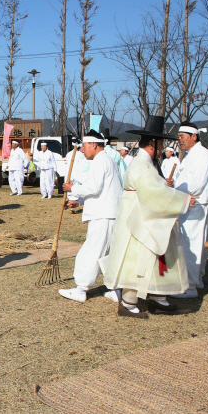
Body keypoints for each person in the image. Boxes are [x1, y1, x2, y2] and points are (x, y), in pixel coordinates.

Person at [102, 116, 194, 318]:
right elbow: (154, 192)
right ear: (153, 144)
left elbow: (155, 188)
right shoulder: (142, 166)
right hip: (139, 217)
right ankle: (129, 302)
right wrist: (183, 200)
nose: (162, 148)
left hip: (142, 213)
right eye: (160, 144)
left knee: (155, 255)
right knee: (138, 258)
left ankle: (158, 296)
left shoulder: (144, 163)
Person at [58, 130, 122, 303]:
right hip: (109, 213)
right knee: (107, 252)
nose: (82, 150)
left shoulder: (101, 161)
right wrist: (79, 202)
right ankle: (114, 288)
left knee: (92, 250)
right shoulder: (105, 161)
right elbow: (103, 191)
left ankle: (81, 289)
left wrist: (73, 189)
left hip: (103, 215)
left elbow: (93, 187)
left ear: (94, 145)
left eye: (84, 146)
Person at [168, 122, 208, 299]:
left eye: (182, 136)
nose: (179, 140)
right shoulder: (190, 155)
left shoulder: (202, 154)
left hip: (196, 203)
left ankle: (190, 286)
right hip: (190, 202)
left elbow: (196, 184)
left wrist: (174, 192)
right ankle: (198, 279)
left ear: (194, 136)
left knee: (191, 245)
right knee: (197, 243)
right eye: (178, 137)